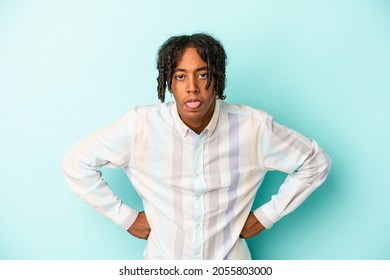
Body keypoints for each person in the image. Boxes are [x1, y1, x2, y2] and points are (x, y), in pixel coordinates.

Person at [61, 33, 331, 260]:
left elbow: (314, 162)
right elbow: (76, 162)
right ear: (168, 82)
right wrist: (125, 218)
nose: (192, 87)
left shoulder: (253, 127)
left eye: (203, 75)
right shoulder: (140, 126)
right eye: (180, 77)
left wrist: (266, 216)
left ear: (218, 78)